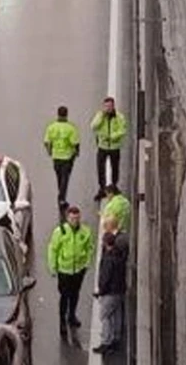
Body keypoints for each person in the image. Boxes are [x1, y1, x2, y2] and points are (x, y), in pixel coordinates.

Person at [47, 204, 95, 336]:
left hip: (79, 270)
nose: (75, 221)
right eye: (72, 218)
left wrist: (87, 263)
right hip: (64, 270)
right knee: (64, 296)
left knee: (75, 294)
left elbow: (90, 247)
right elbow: (53, 249)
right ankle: (62, 320)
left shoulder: (85, 231)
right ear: (68, 218)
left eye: (77, 218)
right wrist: (53, 267)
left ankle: (72, 316)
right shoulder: (60, 231)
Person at [93, 223, 129, 354]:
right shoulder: (120, 255)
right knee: (117, 314)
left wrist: (100, 292)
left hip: (110, 292)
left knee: (105, 316)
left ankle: (106, 342)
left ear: (105, 243)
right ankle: (116, 338)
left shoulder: (108, 259)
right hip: (120, 290)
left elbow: (105, 277)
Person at [90, 96, 128, 198]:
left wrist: (113, 137)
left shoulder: (119, 117)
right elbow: (93, 126)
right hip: (102, 146)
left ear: (113, 106)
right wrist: (102, 115)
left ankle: (114, 186)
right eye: (106, 106)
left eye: (110, 106)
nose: (108, 108)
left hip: (114, 147)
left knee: (115, 167)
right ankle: (101, 188)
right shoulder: (100, 115)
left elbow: (123, 130)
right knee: (100, 168)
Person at [44, 105, 80, 206]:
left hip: (56, 156)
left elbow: (47, 141)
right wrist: (77, 152)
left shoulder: (51, 127)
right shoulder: (71, 128)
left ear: (58, 114)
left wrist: (49, 151)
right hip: (67, 157)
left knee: (59, 177)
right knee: (65, 177)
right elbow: (75, 142)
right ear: (67, 115)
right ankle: (62, 197)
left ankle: (61, 194)